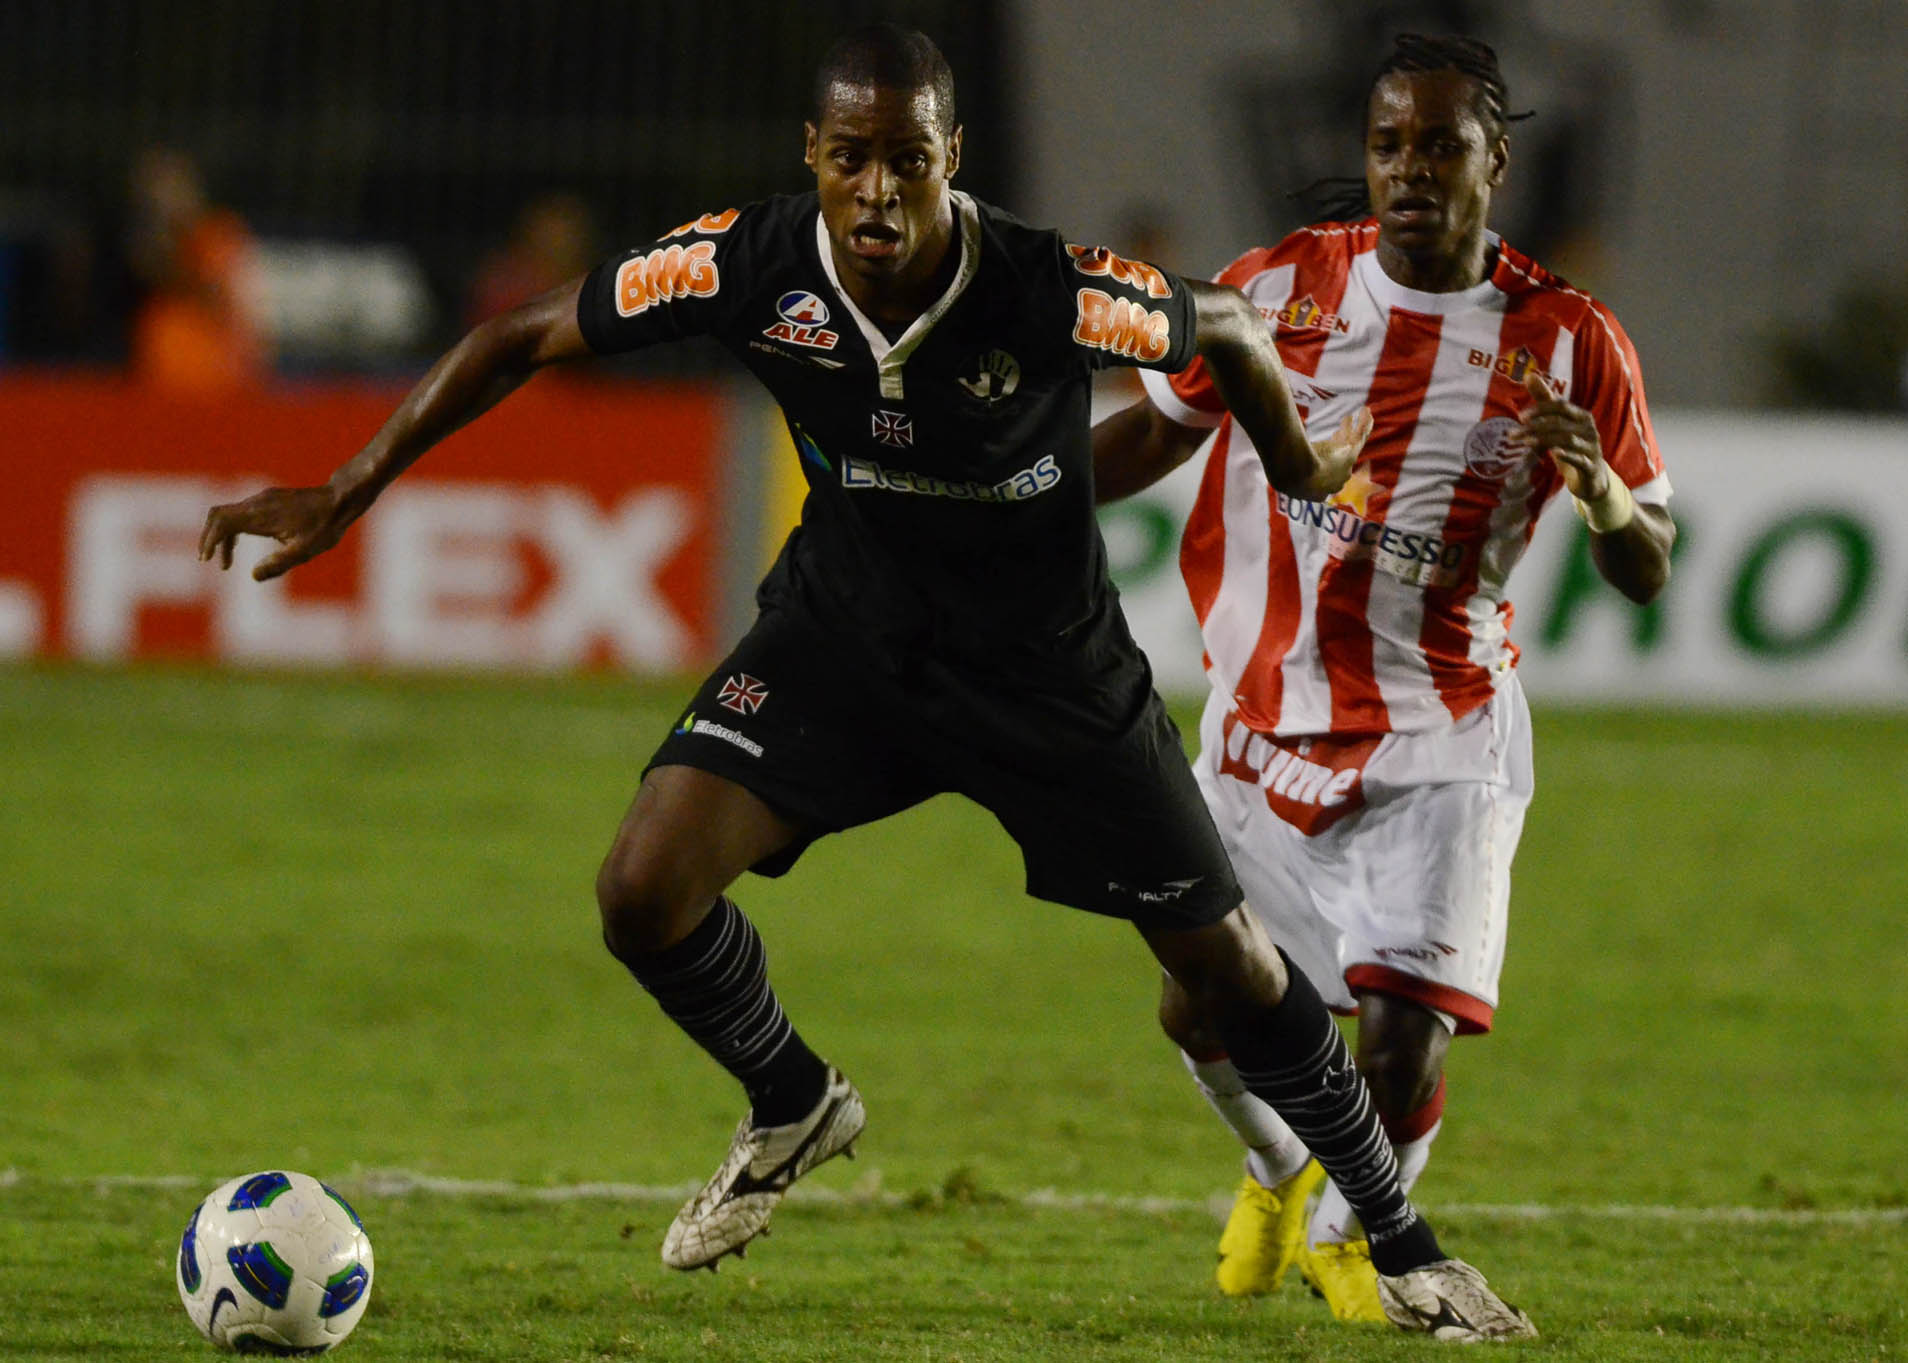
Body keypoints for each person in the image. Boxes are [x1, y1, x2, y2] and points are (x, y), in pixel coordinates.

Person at [199, 24, 1533, 1340]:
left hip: (1047, 672)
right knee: (641, 890)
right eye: (852, 157)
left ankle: (1402, 1243)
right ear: (813, 155)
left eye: (909, 159)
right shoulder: (745, 262)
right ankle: (793, 1100)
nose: (879, 189)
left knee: (1231, 973)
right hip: (844, 645)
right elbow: (518, 337)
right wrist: (345, 487)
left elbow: (1231, 324)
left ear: (954, 156)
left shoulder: (1048, 286)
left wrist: (1299, 463)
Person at [1093, 32, 1674, 1325]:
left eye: (1441, 145)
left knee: (1400, 1044)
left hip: (1437, 741)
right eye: (1388, 144)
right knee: (1197, 1009)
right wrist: (1001, 502)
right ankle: (1275, 1169)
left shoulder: (1571, 340)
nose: (1410, 168)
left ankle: (1352, 1242)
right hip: (1259, 731)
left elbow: (1648, 564)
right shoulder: (1277, 290)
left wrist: (1604, 497)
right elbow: (1153, 434)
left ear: (1495, 160)